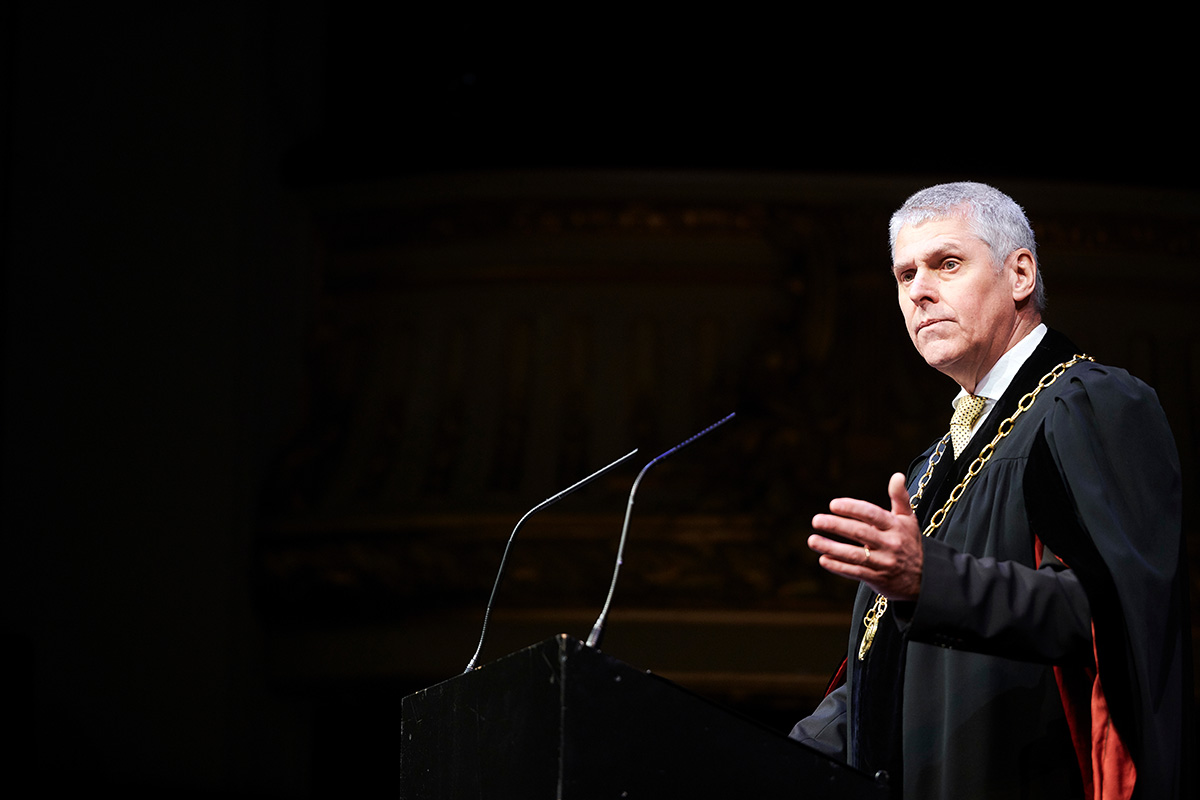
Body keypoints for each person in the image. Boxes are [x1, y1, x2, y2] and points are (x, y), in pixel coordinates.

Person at [789, 182, 1191, 799]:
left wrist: (932, 581)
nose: (919, 290)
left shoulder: (1091, 404)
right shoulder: (930, 467)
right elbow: (880, 674)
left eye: (946, 264)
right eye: (904, 274)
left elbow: (1106, 616)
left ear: (1020, 274)